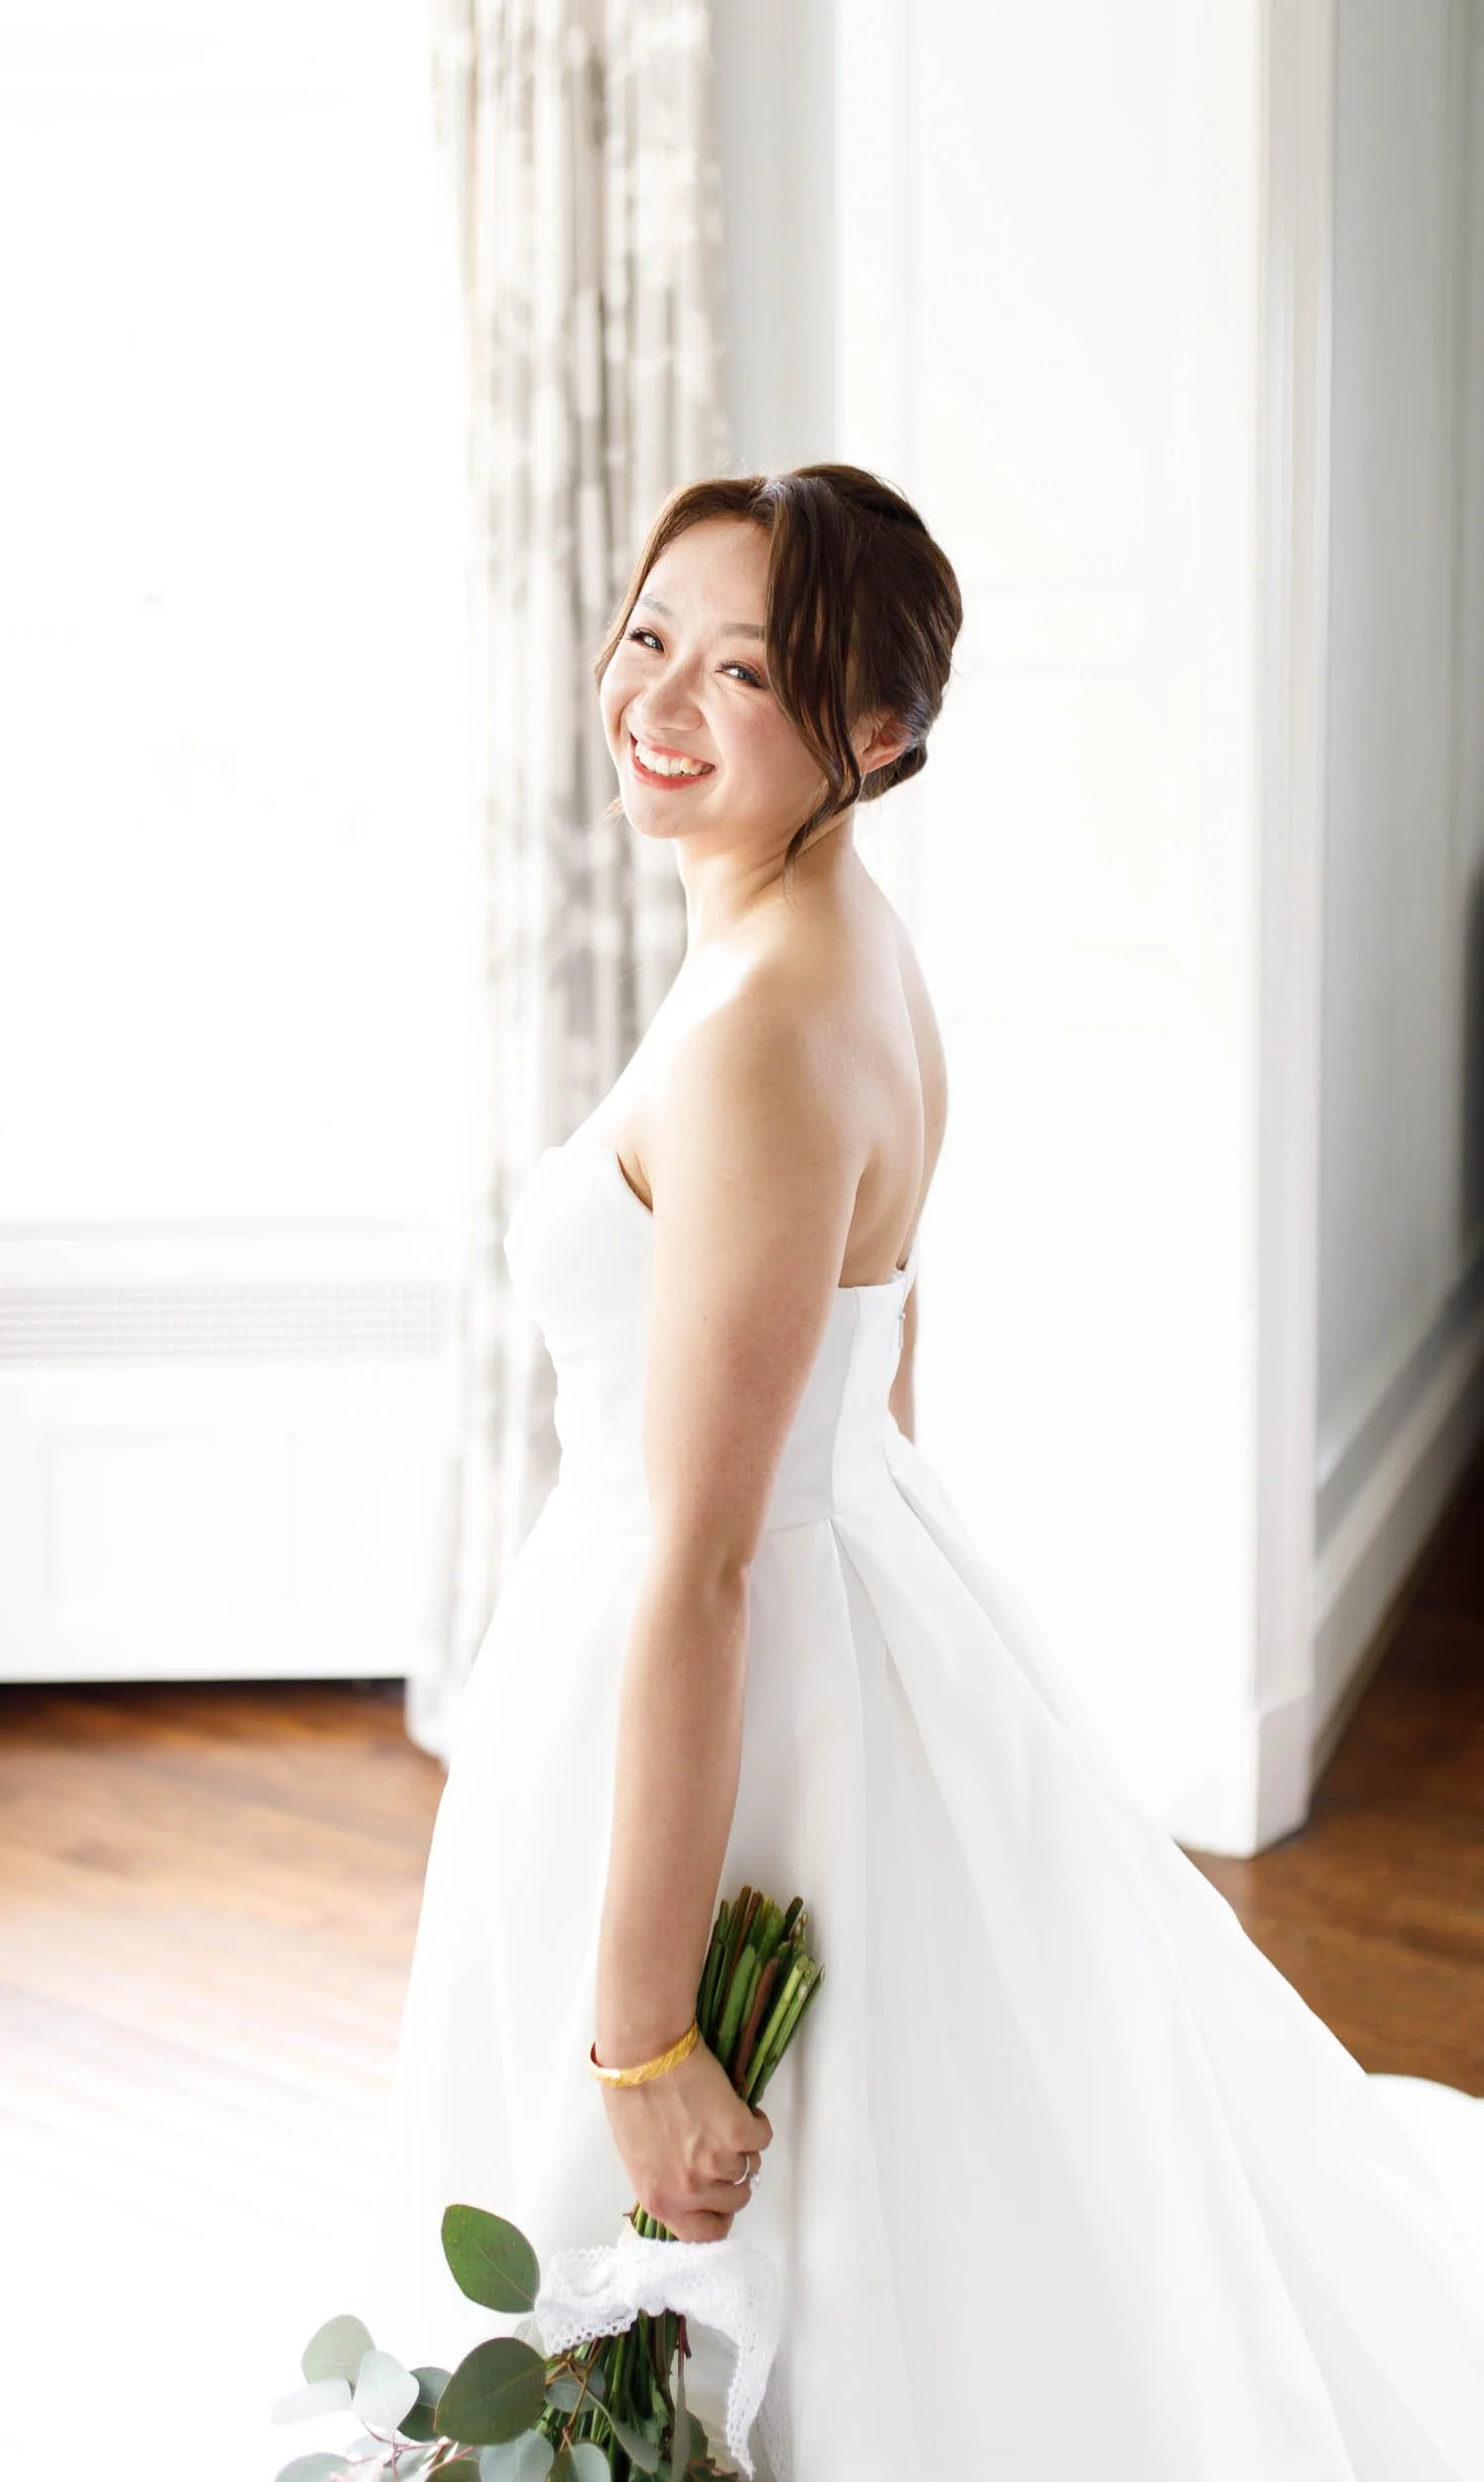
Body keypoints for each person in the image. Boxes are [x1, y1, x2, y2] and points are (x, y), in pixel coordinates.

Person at [378, 465, 1484, 2480]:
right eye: (648, 637)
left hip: (704, 1638)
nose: (660, 701)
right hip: (821, 1590)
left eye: (743, 673)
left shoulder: (762, 1024)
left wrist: (642, 2037)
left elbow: (709, 1559)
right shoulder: (829, 939)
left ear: (875, 733)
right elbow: (874, 1360)